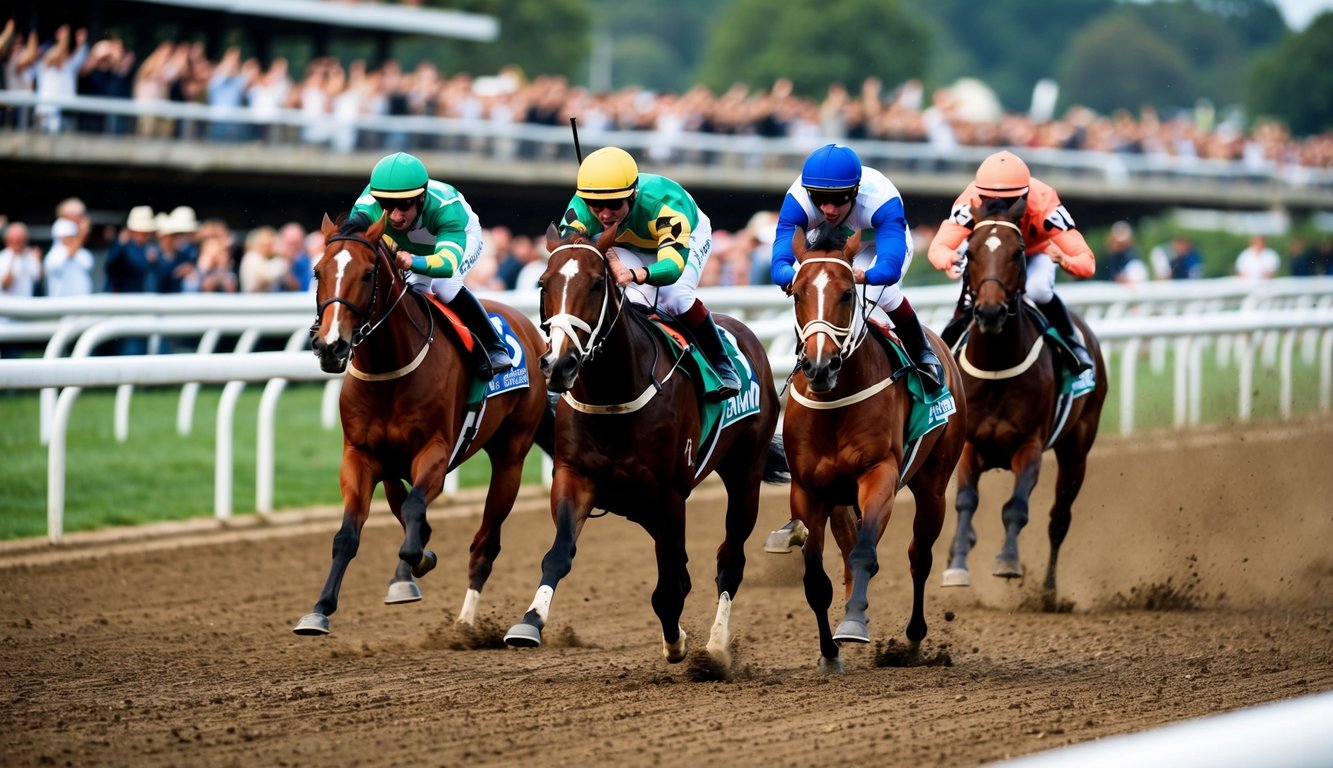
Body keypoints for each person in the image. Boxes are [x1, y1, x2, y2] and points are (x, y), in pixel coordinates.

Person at [558, 146, 740, 400]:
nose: (604, 214)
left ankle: (721, 363)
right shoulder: (581, 206)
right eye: (596, 206)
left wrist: (634, 274)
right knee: (620, 296)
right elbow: (568, 254)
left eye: (613, 205)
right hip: (627, 242)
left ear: (632, 196)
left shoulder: (664, 207)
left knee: (674, 297)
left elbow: (672, 267)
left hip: (680, 240)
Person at [770, 143, 942, 390]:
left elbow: (890, 267)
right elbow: (779, 265)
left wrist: (864, 275)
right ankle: (811, 355)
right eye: (819, 199)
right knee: (817, 294)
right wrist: (802, 278)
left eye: (838, 199)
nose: (828, 209)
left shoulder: (882, 201)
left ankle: (921, 353)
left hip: (878, 248)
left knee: (876, 294)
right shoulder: (797, 199)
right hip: (830, 246)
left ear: (856, 191)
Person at [343, 151, 513, 380]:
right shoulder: (364, 207)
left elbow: (446, 264)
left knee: (444, 286)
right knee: (409, 292)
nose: (395, 216)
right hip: (411, 248)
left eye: (404, 205)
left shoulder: (446, 207)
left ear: (421, 198)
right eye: (386, 205)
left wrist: (414, 261)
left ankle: (493, 345)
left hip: (459, 240)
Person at [928, 150, 1095, 374]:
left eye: (1009, 202)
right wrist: (948, 259)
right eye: (990, 200)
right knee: (972, 298)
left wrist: (1065, 260)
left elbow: (1087, 262)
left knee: (1038, 290)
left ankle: (1073, 344)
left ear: (1025, 197)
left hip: (1035, 253)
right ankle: (941, 357)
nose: (1000, 207)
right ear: (980, 196)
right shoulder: (969, 203)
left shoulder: (1045, 204)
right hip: (990, 256)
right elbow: (938, 247)